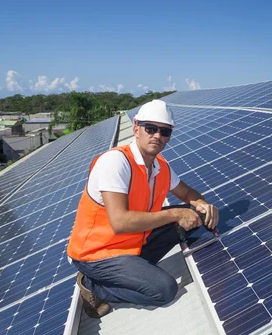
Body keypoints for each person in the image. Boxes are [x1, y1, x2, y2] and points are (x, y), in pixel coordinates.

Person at [67, 99, 219, 318]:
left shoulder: (160, 166)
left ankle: (133, 268)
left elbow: (188, 194)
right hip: (97, 254)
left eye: (164, 131)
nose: (157, 135)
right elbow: (120, 222)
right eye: (151, 128)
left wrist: (202, 204)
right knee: (164, 290)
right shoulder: (116, 162)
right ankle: (93, 285)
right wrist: (175, 214)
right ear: (136, 128)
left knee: (198, 216)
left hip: (133, 242)